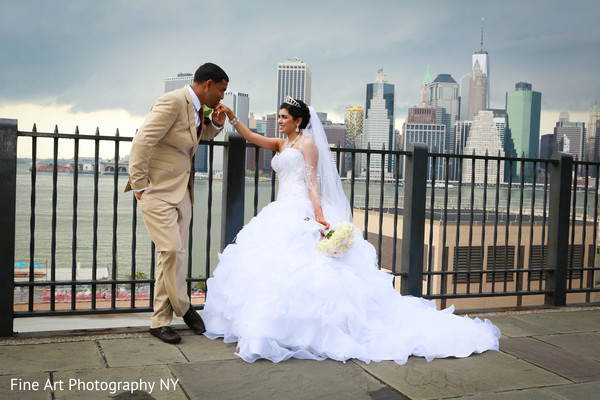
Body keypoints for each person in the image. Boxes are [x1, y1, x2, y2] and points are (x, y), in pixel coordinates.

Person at [201, 97, 501, 364]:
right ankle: (269, 326)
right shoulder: (282, 143)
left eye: (284, 117)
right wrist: (231, 116)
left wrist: (319, 218)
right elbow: (252, 136)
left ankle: (297, 330)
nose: (279, 121)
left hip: (302, 210)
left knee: (306, 270)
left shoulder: (307, 144)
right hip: (280, 210)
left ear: (299, 121)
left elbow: (312, 183)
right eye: (278, 117)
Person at [125, 62, 229, 344]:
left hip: (182, 192)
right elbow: (142, 142)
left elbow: (193, 138)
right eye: (221, 91)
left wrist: (215, 126)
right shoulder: (171, 102)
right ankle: (185, 307)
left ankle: (159, 322)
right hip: (156, 191)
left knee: (169, 256)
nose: (221, 97)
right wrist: (140, 185)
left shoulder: (198, 110)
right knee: (171, 250)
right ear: (207, 84)